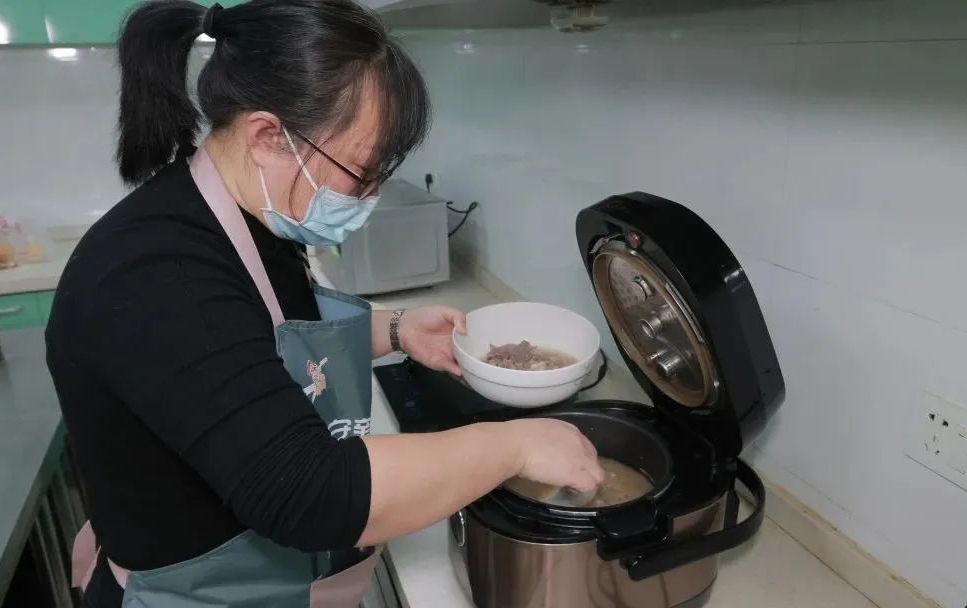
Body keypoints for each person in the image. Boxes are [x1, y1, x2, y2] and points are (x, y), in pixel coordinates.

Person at [44, 1, 604, 606]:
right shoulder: (155, 272)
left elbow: (257, 339)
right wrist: (514, 445)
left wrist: (395, 331)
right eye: (360, 173)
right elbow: (310, 494)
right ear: (267, 137)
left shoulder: (248, 217)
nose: (370, 196)